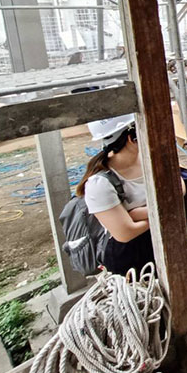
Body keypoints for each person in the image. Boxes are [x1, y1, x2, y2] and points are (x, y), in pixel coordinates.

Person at [78, 115, 153, 276]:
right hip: (129, 261)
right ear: (132, 137)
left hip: (160, 243)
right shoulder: (99, 184)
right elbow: (125, 233)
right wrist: (167, 215)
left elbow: (179, 186)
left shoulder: (150, 158)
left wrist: (136, 214)